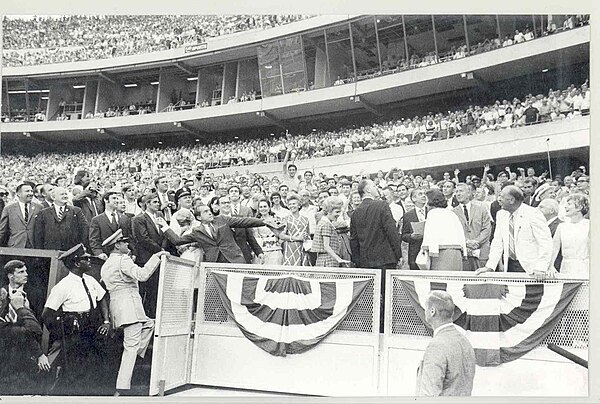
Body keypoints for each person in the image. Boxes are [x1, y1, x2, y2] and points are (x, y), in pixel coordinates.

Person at [100, 229, 171, 396]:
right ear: (117, 245)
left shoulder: (106, 265)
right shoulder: (123, 260)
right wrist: (157, 257)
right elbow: (143, 275)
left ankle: (136, 357)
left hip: (119, 308)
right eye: (124, 242)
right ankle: (122, 388)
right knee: (130, 348)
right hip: (130, 308)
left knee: (150, 324)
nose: (127, 245)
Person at [42, 244, 112, 395]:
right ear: (76, 263)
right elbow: (46, 314)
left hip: (92, 325)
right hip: (75, 330)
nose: (89, 261)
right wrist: (62, 335)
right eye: (86, 259)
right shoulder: (63, 286)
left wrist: (106, 321)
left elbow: (102, 298)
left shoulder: (90, 280)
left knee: (96, 365)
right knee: (76, 369)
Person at [476, 185, 553, 280]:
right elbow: (497, 242)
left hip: (532, 268)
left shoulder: (533, 214)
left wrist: (541, 268)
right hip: (510, 265)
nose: (498, 199)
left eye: (501, 196)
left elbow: (545, 243)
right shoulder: (501, 214)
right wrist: (490, 266)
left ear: (511, 200)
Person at [161, 205, 281, 264]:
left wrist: (263, 221)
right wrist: (164, 226)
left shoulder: (222, 219)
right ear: (198, 217)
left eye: (209, 210)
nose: (210, 213)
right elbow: (177, 240)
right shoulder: (197, 231)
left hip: (235, 260)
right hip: (215, 264)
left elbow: (243, 221)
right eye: (206, 212)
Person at [0, 262, 51, 395]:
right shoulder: (1, 295)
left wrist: (39, 354)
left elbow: (35, 330)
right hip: (5, 349)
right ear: (11, 276)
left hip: (26, 350)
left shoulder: (33, 296)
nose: (26, 274)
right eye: (21, 272)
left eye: (26, 271)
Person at [416, 291, 476, 396]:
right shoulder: (465, 342)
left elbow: (428, 395)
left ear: (432, 311)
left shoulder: (436, 346)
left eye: (426, 308)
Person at [131, 193, 173, 317]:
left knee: (157, 289)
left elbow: (165, 233)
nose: (158, 204)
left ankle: (156, 315)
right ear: (147, 204)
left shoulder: (159, 216)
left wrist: (163, 248)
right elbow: (143, 238)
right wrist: (160, 249)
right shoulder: (140, 219)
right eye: (154, 202)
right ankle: (147, 316)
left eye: (158, 202)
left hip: (160, 256)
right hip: (147, 258)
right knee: (148, 290)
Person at [349, 180, 402, 269]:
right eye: (374, 186)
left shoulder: (355, 212)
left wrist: (357, 261)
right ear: (368, 190)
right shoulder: (382, 205)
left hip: (365, 262)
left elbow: (354, 240)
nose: (376, 188)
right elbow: (391, 232)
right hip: (385, 259)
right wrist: (398, 255)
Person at [421, 189, 466, 271]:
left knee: (440, 281)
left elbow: (431, 235)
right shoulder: (452, 213)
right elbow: (461, 235)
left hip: (441, 253)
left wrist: (427, 251)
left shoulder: (432, 213)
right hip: (456, 253)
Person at [33, 186, 90, 251]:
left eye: (66, 194)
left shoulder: (76, 211)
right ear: (53, 197)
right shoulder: (44, 213)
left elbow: (84, 228)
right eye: (62, 194)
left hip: (72, 250)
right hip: (50, 252)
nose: (65, 196)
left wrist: (81, 245)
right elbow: (38, 234)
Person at [452, 183, 492, 270]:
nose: (458, 194)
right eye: (456, 192)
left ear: (469, 193)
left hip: (482, 252)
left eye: (461, 191)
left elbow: (487, 229)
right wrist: (466, 243)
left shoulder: (481, 208)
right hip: (464, 254)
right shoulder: (453, 212)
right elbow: (454, 232)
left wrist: (475, 242)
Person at [549, 194, 589, 276]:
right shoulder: (561, 226)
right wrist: (550, 266)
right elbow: (554, 248)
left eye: (569, 204)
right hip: (566, 268)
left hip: (586, 268)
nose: (565, 207)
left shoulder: (590, 225)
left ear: (580, 207)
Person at [219, 195, 264, 264]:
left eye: (228, 202)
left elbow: (250, 237)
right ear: (218, 206)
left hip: (243, 256)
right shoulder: (215, 222)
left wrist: (259, 252)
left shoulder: (240, 219)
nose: (226, 205)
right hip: (225, 259)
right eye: (223, 203)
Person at [89, 191, 134, 260]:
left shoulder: (124, 218)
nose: (117, 201)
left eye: (117, 199)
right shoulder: (97, 220)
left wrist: (133, 253)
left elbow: (130, 237)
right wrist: (99, 253)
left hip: (124, 257)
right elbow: (94, 240)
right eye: (114, 198)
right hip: (106, 258)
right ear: (106, 200)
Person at [0, 182, 41, 248]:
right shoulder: (9, 209)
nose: (30, 193)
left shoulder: (39, 207)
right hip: (15, 246)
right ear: (19, 194)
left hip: (34, 246)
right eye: (27, 191)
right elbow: (2, 230)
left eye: (31, 191)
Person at [312, 196, 350, 267]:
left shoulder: (325, 222)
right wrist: (338, 259)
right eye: (337, 212)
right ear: (329, 211)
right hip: (328, 260)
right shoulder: (326, 224)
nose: (338, 215)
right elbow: (326, 246)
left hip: (326, 259)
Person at [401, 189, 428, 270]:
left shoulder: (431, 211)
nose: (424, 195)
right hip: (415, 252)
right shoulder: (408, 215)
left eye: (424, 194)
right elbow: (404, 235)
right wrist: (411, 236)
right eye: (420, 194)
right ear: (414, 198)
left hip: (430, 251)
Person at [280, 194, 310, 266]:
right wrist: (296, 238)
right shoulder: (285, 219)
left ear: (299, 205)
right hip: (290, 247)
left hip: (303, 248)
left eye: (294, 204)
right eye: (290, 204)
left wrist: (306, 236)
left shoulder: (305, 219)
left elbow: (308, 235)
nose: (292, 206)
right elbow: (281, 235)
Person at [253, 199, 283, 265]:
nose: (263, 209)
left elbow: (281, 234)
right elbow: (255, 237)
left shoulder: (276, 219)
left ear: (269, 208)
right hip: (262, 250)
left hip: (275, 250)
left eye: (265, 206)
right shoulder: (256, 221)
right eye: (261, 207)